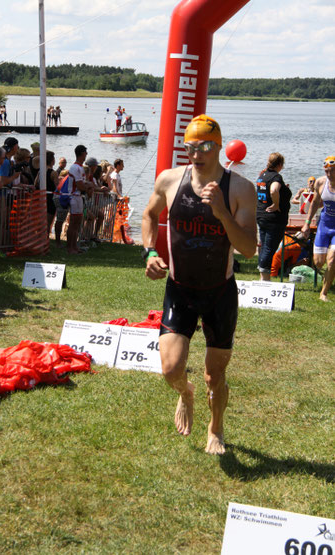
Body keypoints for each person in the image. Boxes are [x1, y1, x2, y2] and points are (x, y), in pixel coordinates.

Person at [141, 114, 257, 455]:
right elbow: (149, 215)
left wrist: (222, 212)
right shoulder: (170, 180)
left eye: (205, 146)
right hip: (180, 290)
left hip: (219, 293)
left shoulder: (239, 188)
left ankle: (215, 429)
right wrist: (149, 252)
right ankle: (184, 393)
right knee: (170, 369)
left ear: (219, 147)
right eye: (191, 147)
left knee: (214, 376)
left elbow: (249, 249)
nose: (197, 153)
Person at [301, 156, 335, 301]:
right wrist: (307, 223)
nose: (329, 174)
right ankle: (329, 275)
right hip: (324, 225)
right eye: (327, 171)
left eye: (332, 171)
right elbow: (315, 203)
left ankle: (324, 293)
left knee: (332, 260)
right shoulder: (321, 182)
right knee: (318, 262)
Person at [256, 152, 292, 281]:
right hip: (274, 219)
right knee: (269, 248)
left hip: (261, 216)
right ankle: (264, 278)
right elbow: (273, 190)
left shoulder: (262, 176)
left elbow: (267, 191)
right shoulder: (276, 177)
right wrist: (276, 204)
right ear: (280, 164)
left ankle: (263, 277)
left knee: (265, 246)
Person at [66, 144, 90, 254]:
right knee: (73, 223)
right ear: (81, 153)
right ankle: (70, 247)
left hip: (79, 197)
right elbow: (80, 185)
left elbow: (83, 183)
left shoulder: (80, 168)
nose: (86, 154)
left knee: (78, 223)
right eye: (85, 152)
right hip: (74, 196)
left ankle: (75, 246)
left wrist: (89, 186)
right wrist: (88, 188)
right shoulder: (75, 167)